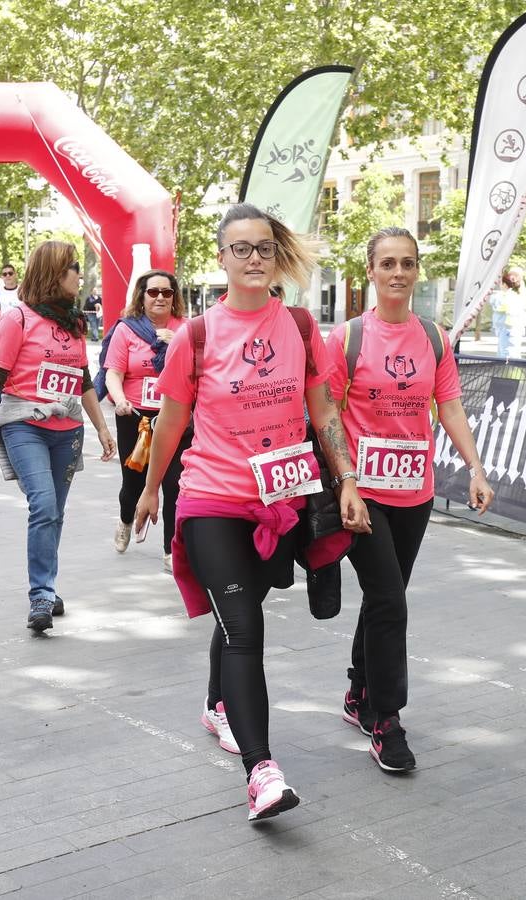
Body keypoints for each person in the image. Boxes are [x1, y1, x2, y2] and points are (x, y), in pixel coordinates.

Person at [134, 203, 370, 822]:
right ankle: (262, 772)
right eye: (241, 249)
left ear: (276, 257)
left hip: (282, 499)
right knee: (245, 627)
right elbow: (172, 423)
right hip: (213, 496)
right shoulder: (197, 336)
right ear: (220, 259)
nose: (254, 258)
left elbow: (323, 413)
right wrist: (152, 488)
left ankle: (218, 705)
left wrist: (347, 478)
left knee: (242, 607)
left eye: (263, 248)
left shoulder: (297, 326)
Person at [326, 227, 494, 773]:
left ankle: (357, 692)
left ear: (418, 271)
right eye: (388, 263)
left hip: (414, 491)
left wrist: (474, 466)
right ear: (370, 271)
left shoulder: (435, 338)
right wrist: (345, 478)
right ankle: (385, 718)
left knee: (385, 596)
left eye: (408, 263)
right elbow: (326, 413)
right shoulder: (347, 338)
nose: (399, 273)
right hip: (363, 492)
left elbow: (448, 407)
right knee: (392, 602)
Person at [0, 241, 117, 632]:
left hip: (68, 431)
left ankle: (47, 586)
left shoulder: (75, 321)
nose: (79, 276)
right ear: (54, 273)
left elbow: (83, 379)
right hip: (23, 425)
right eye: (73, 269)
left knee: (55, 513)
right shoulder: (18, 319)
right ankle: (40, 597)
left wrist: (102, 427)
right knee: (44, 506)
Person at [103, 269, 187, 571]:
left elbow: (202, 367)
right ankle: (126, 518)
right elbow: (113, 371)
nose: (161, 297)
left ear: (174, 297)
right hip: (135, 417)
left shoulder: (186, 329)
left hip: (175, 417)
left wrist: (177, 341)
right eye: (154, 292)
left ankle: (170, 549)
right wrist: (119, 398)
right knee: (134, 483)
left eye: (167, 292)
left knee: (174, 483)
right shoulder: (127, 330)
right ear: (142, 296)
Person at [495, 266, 526, 359]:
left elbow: (507, 307)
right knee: (504, 354)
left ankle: (512, 371)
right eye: (511, 275)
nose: (512, 277)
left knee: (509, 355)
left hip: (511, 329)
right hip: (507, 328)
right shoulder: (511, 291)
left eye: (515, 275)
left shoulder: (518, 292)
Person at [0, 263, 21, 336]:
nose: (7, 276)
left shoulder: (23, 291)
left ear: (15, 274)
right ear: (2, 277)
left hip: (21, 329)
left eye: (10, 273)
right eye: (5, 274)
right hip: (5, 331)